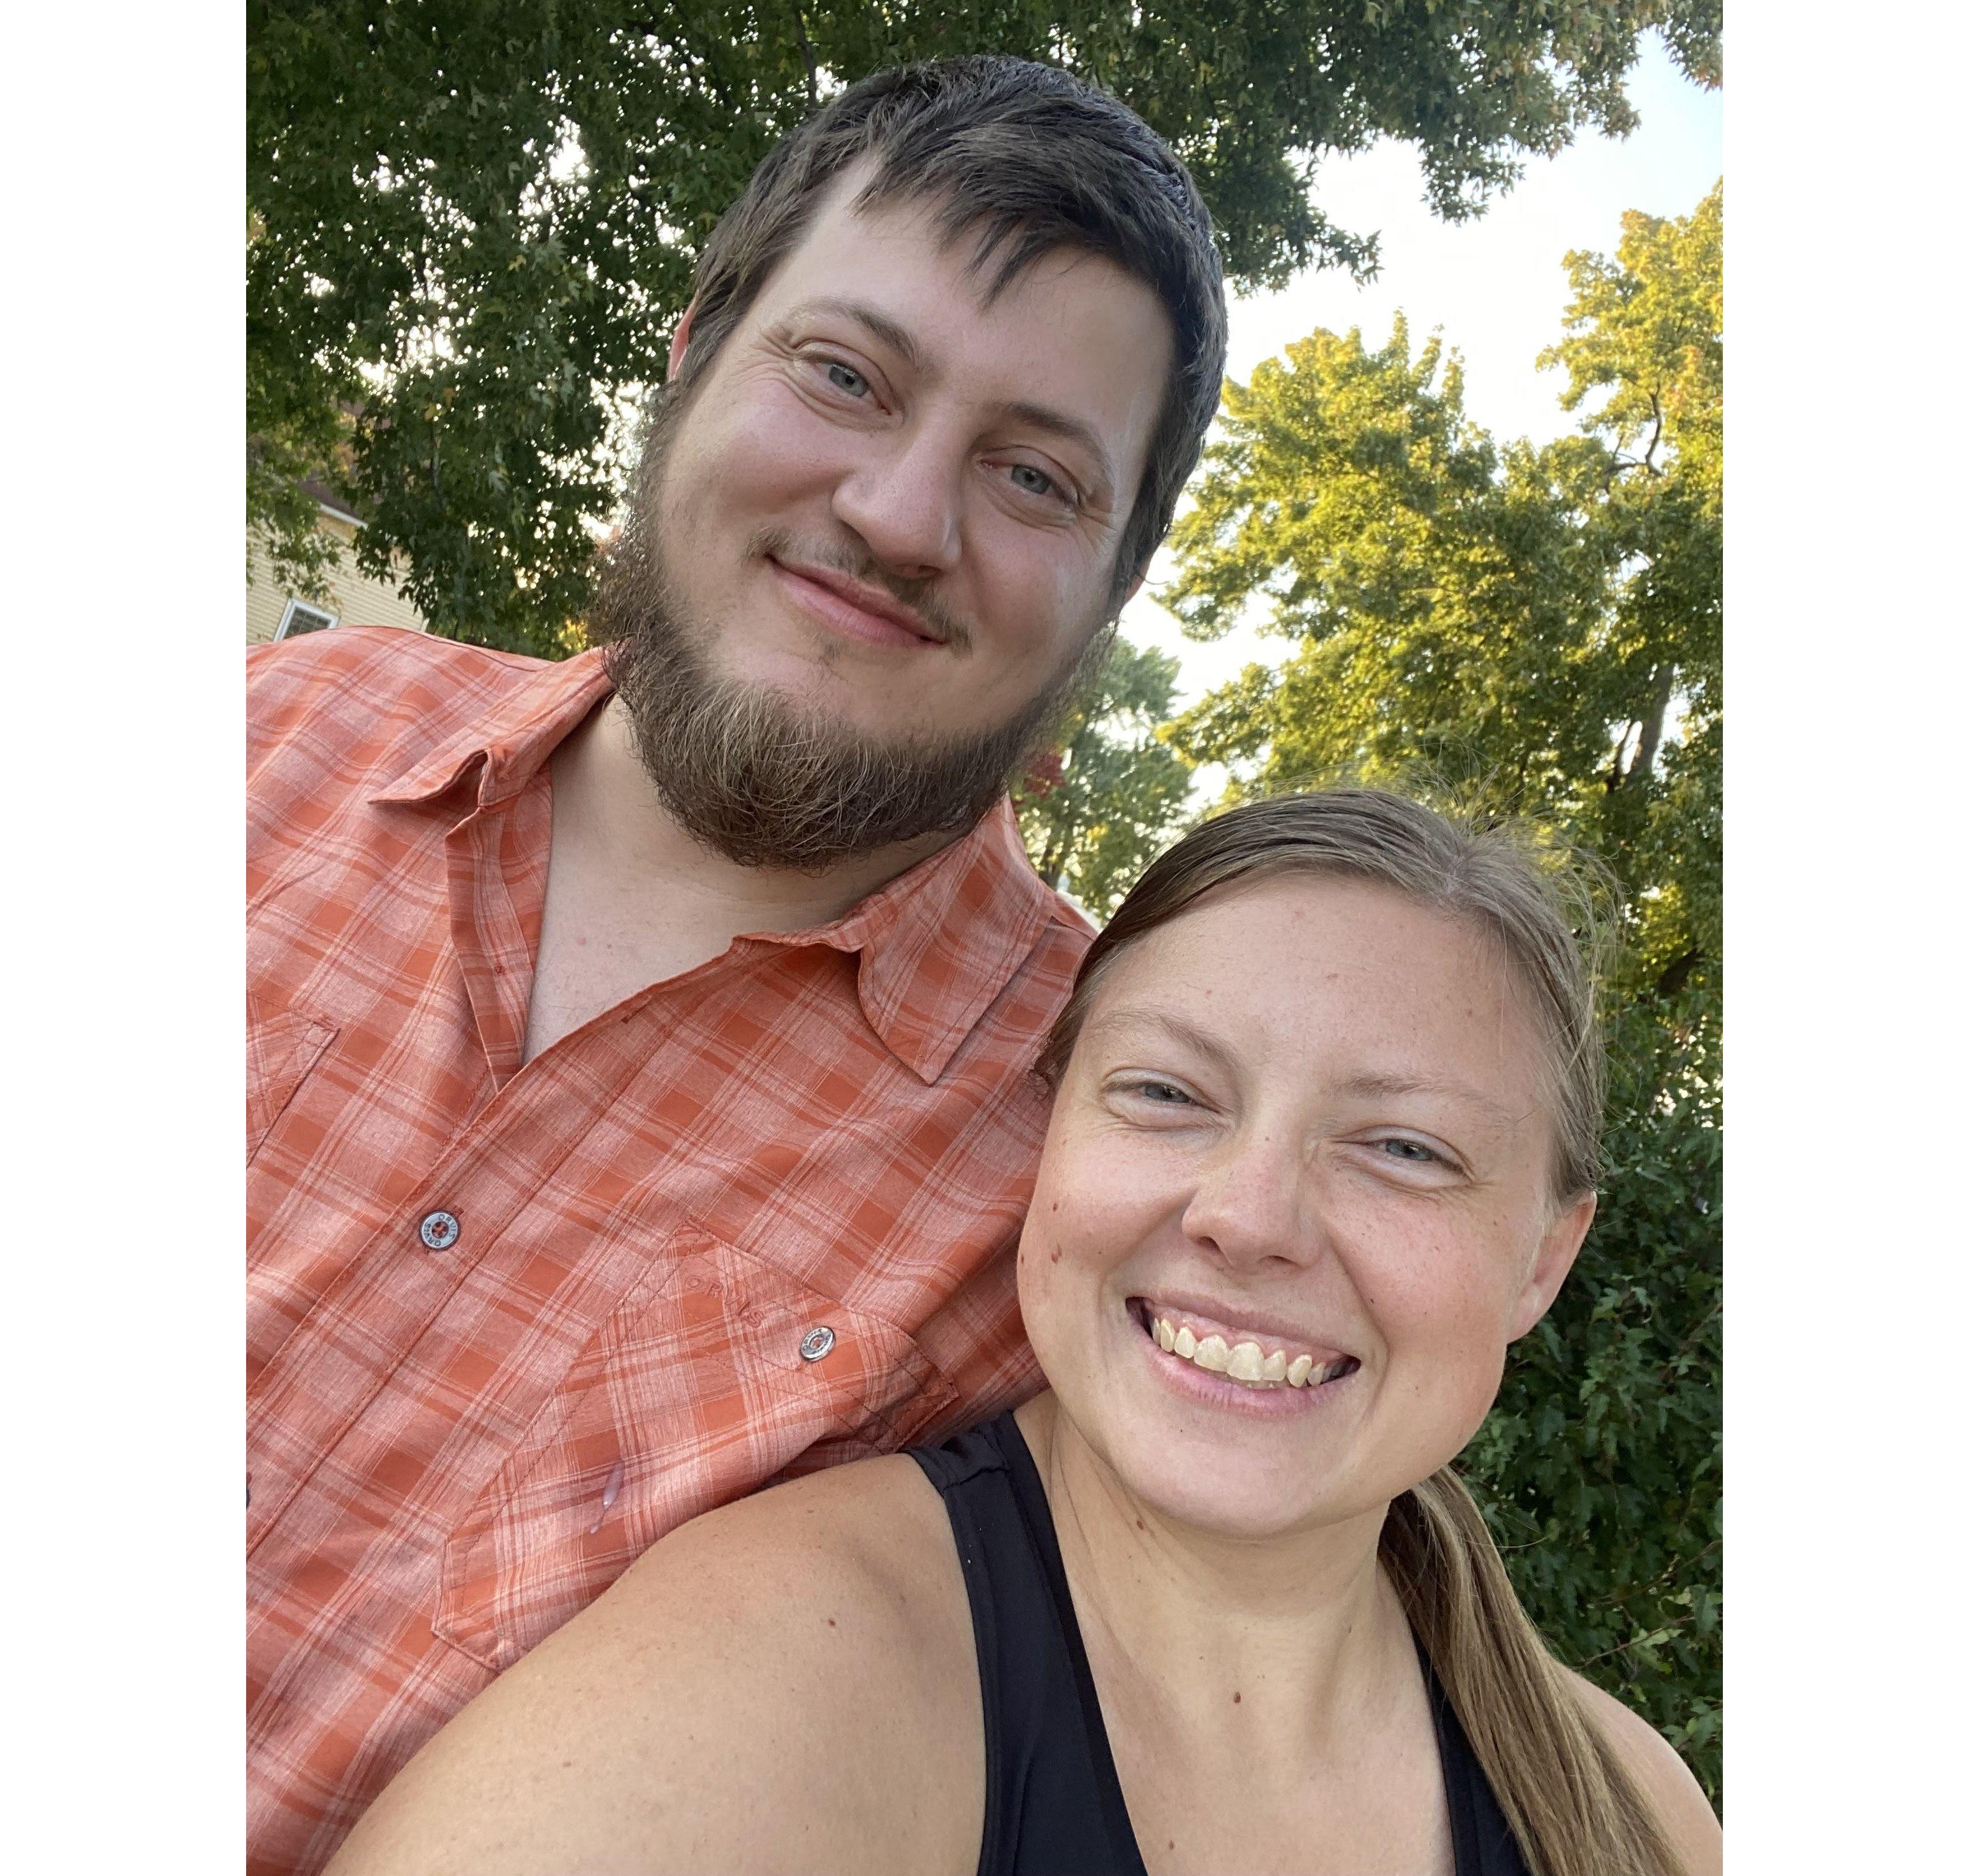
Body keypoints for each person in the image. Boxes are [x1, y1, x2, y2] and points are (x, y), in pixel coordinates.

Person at [247, 55, 1227, 1873]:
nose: (900, 515)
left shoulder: (1102, 1177)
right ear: (694, 355)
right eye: (847, 375)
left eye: (1033, 474)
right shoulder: (266, 735)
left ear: (1109, 592)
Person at [325, 790, 1722, 1876]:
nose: (1250, 1214)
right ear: (1045, 1138)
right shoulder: (788, 1672)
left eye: (1405, 1146)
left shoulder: (1628, 1806)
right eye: (1168, 1092)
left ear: (1544, 1255)